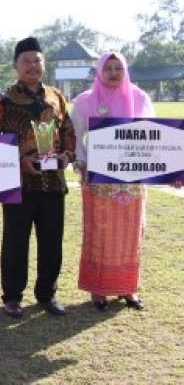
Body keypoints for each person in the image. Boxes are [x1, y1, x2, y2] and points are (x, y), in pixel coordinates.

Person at [71, 51, 182, 310]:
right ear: (99, 71)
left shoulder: (140, 97)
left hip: (132, 182)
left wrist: (174, 170)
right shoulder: (86, 101)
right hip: (99, 183)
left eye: (117, 67)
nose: (112, 72)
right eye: (107, 68)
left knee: (131, 237)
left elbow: (155, 138)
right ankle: (99, 290)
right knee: (100, 235)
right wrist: (84, 164)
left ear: (125, 70)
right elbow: (77, 137)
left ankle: (128, 288)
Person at [0, 37, 76, 318]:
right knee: (15, 241)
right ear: (15, 65)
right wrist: (19, 160)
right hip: (18, 185)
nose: (32, 66)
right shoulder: (3, 100)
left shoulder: (56, 97)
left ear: (43, 64)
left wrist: (66, 157)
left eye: (37, 60)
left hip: (53, 183)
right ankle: (12, 297)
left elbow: (69, 134)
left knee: (52, 241)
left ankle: (47, 294)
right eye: (26, 61)